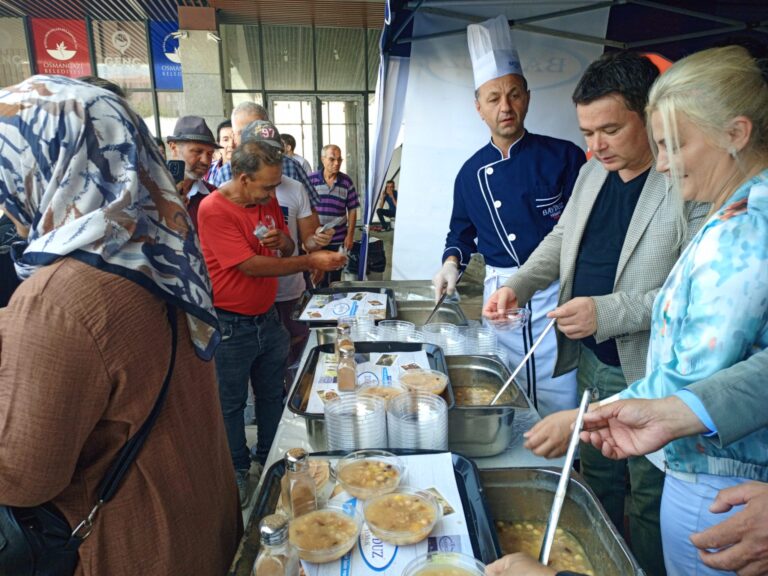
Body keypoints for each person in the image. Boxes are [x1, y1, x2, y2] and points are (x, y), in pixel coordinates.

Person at [535, 45, 768, 575]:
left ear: (736, 133)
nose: (664, 163)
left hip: (717, 473)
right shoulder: (731, 206)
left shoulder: (745, 227)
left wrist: (588, 416)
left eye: (672, 145)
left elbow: (696, 366)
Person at [0, 75, 240, 575]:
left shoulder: (56, 298)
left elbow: (23, 477)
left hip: (136, 544)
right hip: (202, 519)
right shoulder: (164, 252)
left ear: (39, 165)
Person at [486, 50, 710, 576]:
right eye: (587, 132)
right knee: (595, 480)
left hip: (651, 372)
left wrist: (606, 313)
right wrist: (519, 284)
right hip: (592, 361)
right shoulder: (592, 173)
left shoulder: (688, 183)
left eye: (610, 130)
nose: (596, 145)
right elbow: (561, 238)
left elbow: (691, 294)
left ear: (649, 115)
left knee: (649, 496)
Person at [434, 14, 586, 417]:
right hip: (499, 296)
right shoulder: (469, 173)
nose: (506, 107)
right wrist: (450, 265)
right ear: (479, 108)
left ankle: (561, 450)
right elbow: (460, 234)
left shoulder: (565, 156)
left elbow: (583, 228)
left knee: (561, 389)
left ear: (527, 98)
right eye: (494, 98)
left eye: (514, 95)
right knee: (505, 388)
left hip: (556, 289)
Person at [196, 140, 346, 506]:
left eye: (276, 185)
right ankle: (236, 468)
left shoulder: (264, 200)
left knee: (271, 395)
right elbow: (250, 266)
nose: (272, 193)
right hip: (230, 325)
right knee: (231, 403)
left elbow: (287, 249)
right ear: (243, 178)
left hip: (267, 318)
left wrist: (286, 242)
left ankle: (269, 457)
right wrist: (310, 262)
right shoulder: (213, 209)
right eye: (266, 186)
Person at [240, 120, 334, 383]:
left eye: (274, 152)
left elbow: (306, 241)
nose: (269, 157)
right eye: (260, 151)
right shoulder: (232, 189)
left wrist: (317, 240)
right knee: (261, 367)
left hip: (289, 290)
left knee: (296, 358)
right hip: (251, 295)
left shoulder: (294, 187)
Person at [210, 102, 321, 218]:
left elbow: (309, 214)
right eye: (242, 132)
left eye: (257, 128)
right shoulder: (223, 173)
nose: (251, 137)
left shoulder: (292, 167)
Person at [308, 144, 360, 286]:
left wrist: (350, 236)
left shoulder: (346, 182)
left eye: (339, 159)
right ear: (323, 159)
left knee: (335, 276)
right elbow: (303, 209)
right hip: (316, 239)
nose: (337, 163)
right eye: (332, 159)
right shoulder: (311, 180)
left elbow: (352, 209)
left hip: (338, 238)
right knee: (317, 276)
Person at [166, 115, 220, 228]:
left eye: (210, 154)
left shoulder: (215, 196)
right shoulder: (150, 191)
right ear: (174, 148)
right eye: (197, 151)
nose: (205, 161)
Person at [206, 119, 234, 185]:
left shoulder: (249, 170)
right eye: (226, 140)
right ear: (218, 144)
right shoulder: (208, 169)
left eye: (235, 139)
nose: (231, 144)